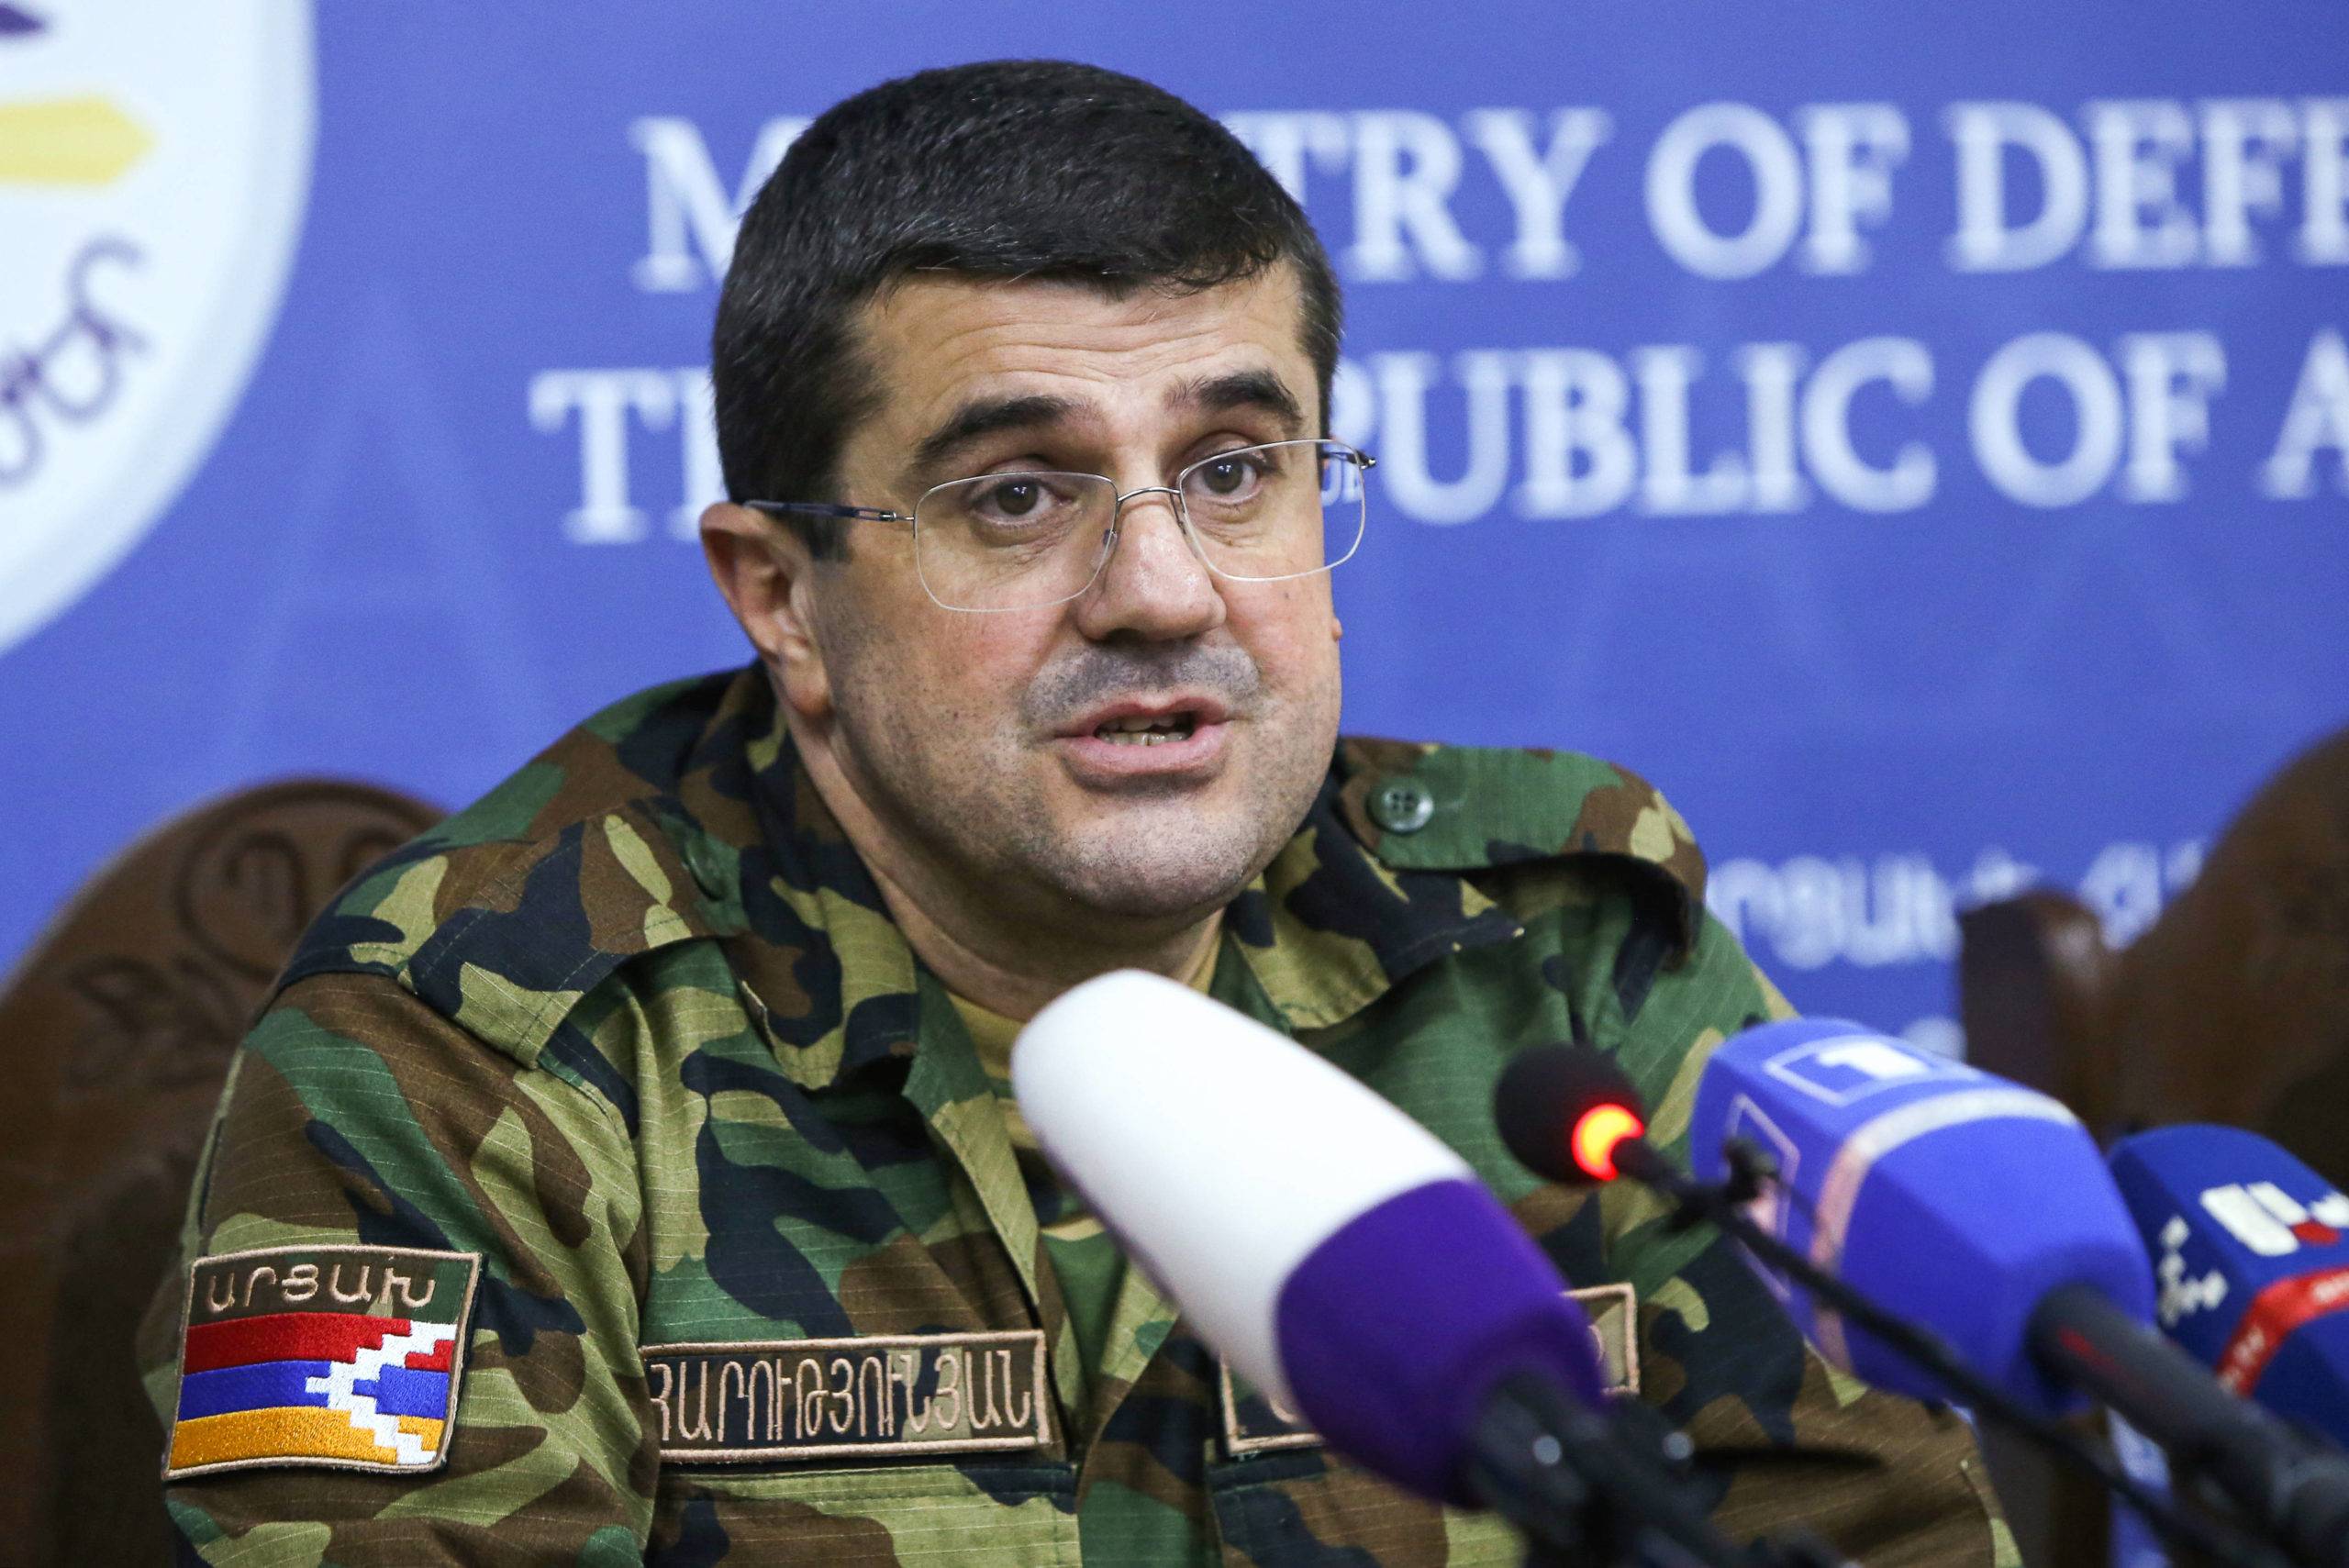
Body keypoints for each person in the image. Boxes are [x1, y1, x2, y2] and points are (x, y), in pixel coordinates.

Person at [140, 60, 2016, 1566]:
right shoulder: (460, 1043)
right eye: (1017, 497)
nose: (1163, 590)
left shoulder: (1569, 960)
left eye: (1229, 469)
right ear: (779, 592)